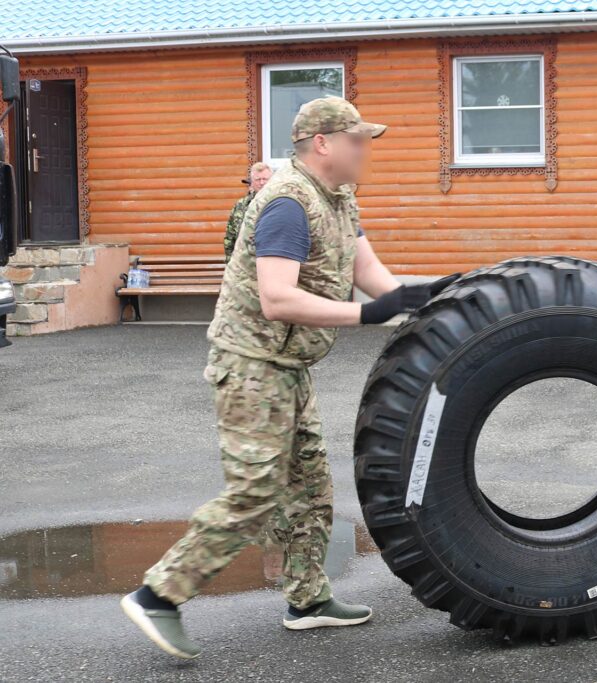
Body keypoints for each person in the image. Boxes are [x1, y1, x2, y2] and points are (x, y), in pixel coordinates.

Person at [121, 96, 459, 659]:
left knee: (308, 488)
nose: (365, 148)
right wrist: (366, 315)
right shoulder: (287, 204)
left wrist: (427, 299)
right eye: (357, 139)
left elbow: (371, 274)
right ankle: (158, 594)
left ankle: (308, 600)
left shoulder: (341, 198)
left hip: (288, 366)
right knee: (255, 493)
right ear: (322, 143)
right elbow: (278, 299)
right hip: (250, 365)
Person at [224, 162, 273, 260]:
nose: (262, 182)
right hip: (245, 264)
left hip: (270, 262)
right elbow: (230, 237)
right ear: (252, 182)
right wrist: (231, 262)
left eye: (265, 179)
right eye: (258, 179)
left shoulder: (279, 204)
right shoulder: (241, 205)